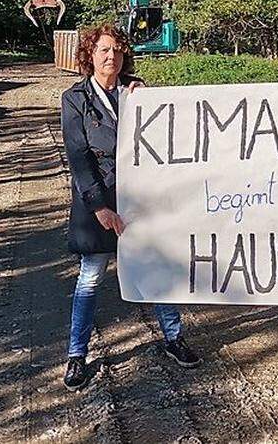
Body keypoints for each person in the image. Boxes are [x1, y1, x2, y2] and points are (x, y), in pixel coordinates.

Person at [60, 23, 201, 391]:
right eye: (104, 50)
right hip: (98, 202)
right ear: (89, 56)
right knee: (90, 278)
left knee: (155, 271)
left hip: (141, 200)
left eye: (118, 50)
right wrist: (99, 209)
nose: (112, 56)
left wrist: (148, 100)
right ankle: (77, 356)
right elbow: (78, 158)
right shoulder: (74, 99)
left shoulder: (137, 94)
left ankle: (174, 339)